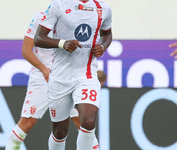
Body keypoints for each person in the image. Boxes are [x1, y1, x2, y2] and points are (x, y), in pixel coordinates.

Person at [5, 9, 99, 150]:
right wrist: (44, 69)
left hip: (70, 76)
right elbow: (26, 49)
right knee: (28, 122)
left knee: (82, 122)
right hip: (43, 77)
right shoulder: (41, 17)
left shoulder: (78, 17)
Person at [34, 0, 112, 149]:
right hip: (60, 77)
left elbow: (107, 34)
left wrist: (103, 46)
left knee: (88, 122)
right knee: (59, 132)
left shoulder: (104, 8)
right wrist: (61, 43)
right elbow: (38, 38)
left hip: (86, 74)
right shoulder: (58, 5)